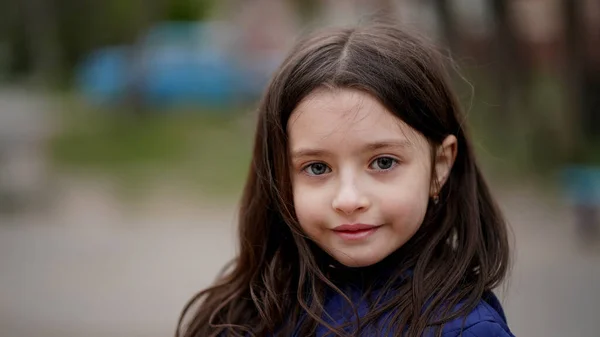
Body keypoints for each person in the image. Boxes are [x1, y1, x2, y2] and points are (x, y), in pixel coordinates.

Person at [177, 19, 514, 337]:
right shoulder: (243, 315)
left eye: (383, 162)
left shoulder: (465, 329)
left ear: (440, 165)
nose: (349, 200)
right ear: (280, 174)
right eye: (318, 168)